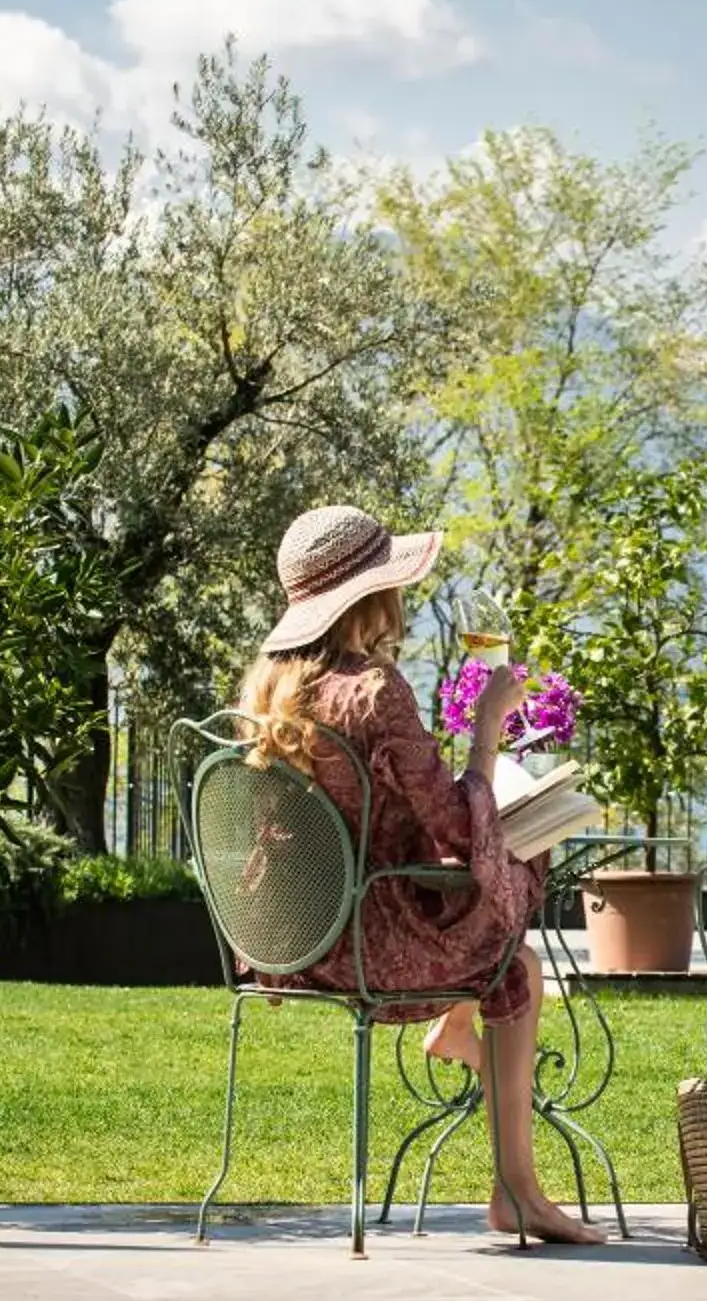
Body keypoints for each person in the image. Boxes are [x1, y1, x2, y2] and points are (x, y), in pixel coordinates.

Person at [235, 503, 604, 1245]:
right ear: (376, 595)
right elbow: (456, 826)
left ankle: (460, 1033)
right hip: (380, 945)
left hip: (302, 942)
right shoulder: (375, 690)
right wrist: (486, 734)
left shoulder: (268, 687)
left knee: (503, 938)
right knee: (519, 961)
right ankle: (517, 1191)